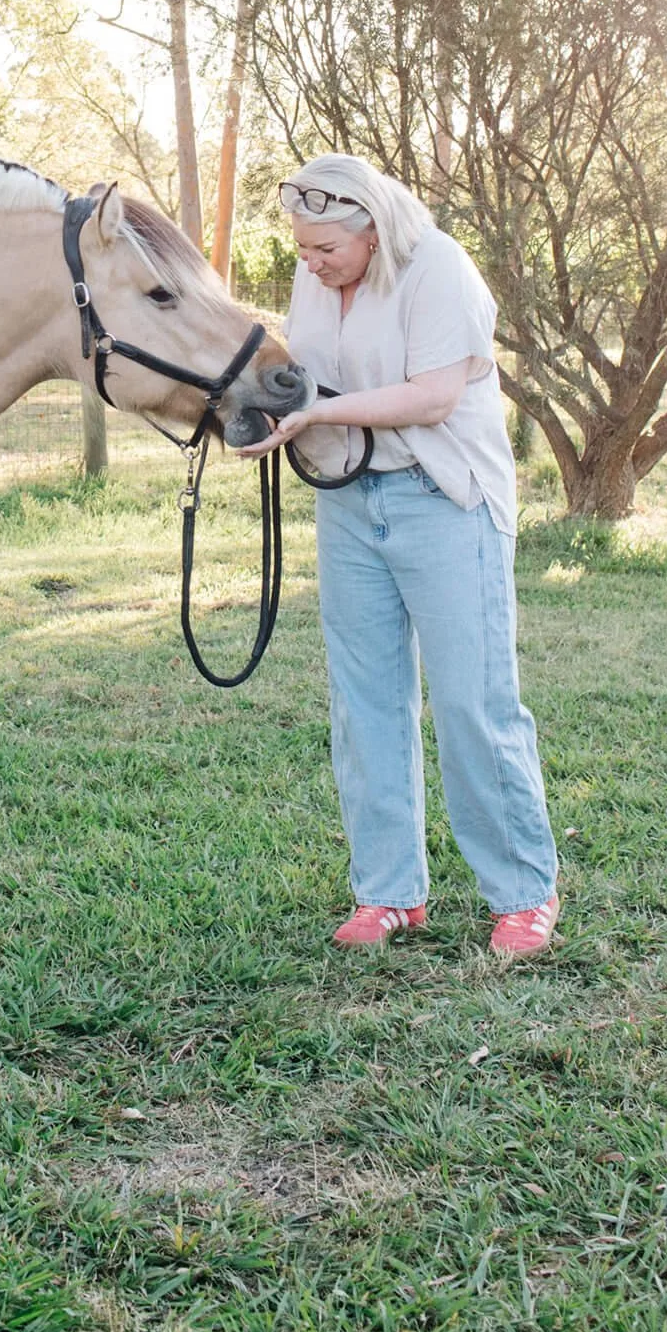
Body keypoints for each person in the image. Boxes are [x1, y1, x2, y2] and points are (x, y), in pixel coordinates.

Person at [238, 153, 559, 956]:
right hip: (350, 499)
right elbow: (305, 372)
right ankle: (387, 893)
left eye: (325, 251)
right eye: (303, 251)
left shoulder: (437, 267)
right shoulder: (317, 273)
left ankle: (523, 891)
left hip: (444, 497)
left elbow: (433, 395)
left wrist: (320, 414)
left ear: (371, 230)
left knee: (470, 701)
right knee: (365, 700)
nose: (309, 266)